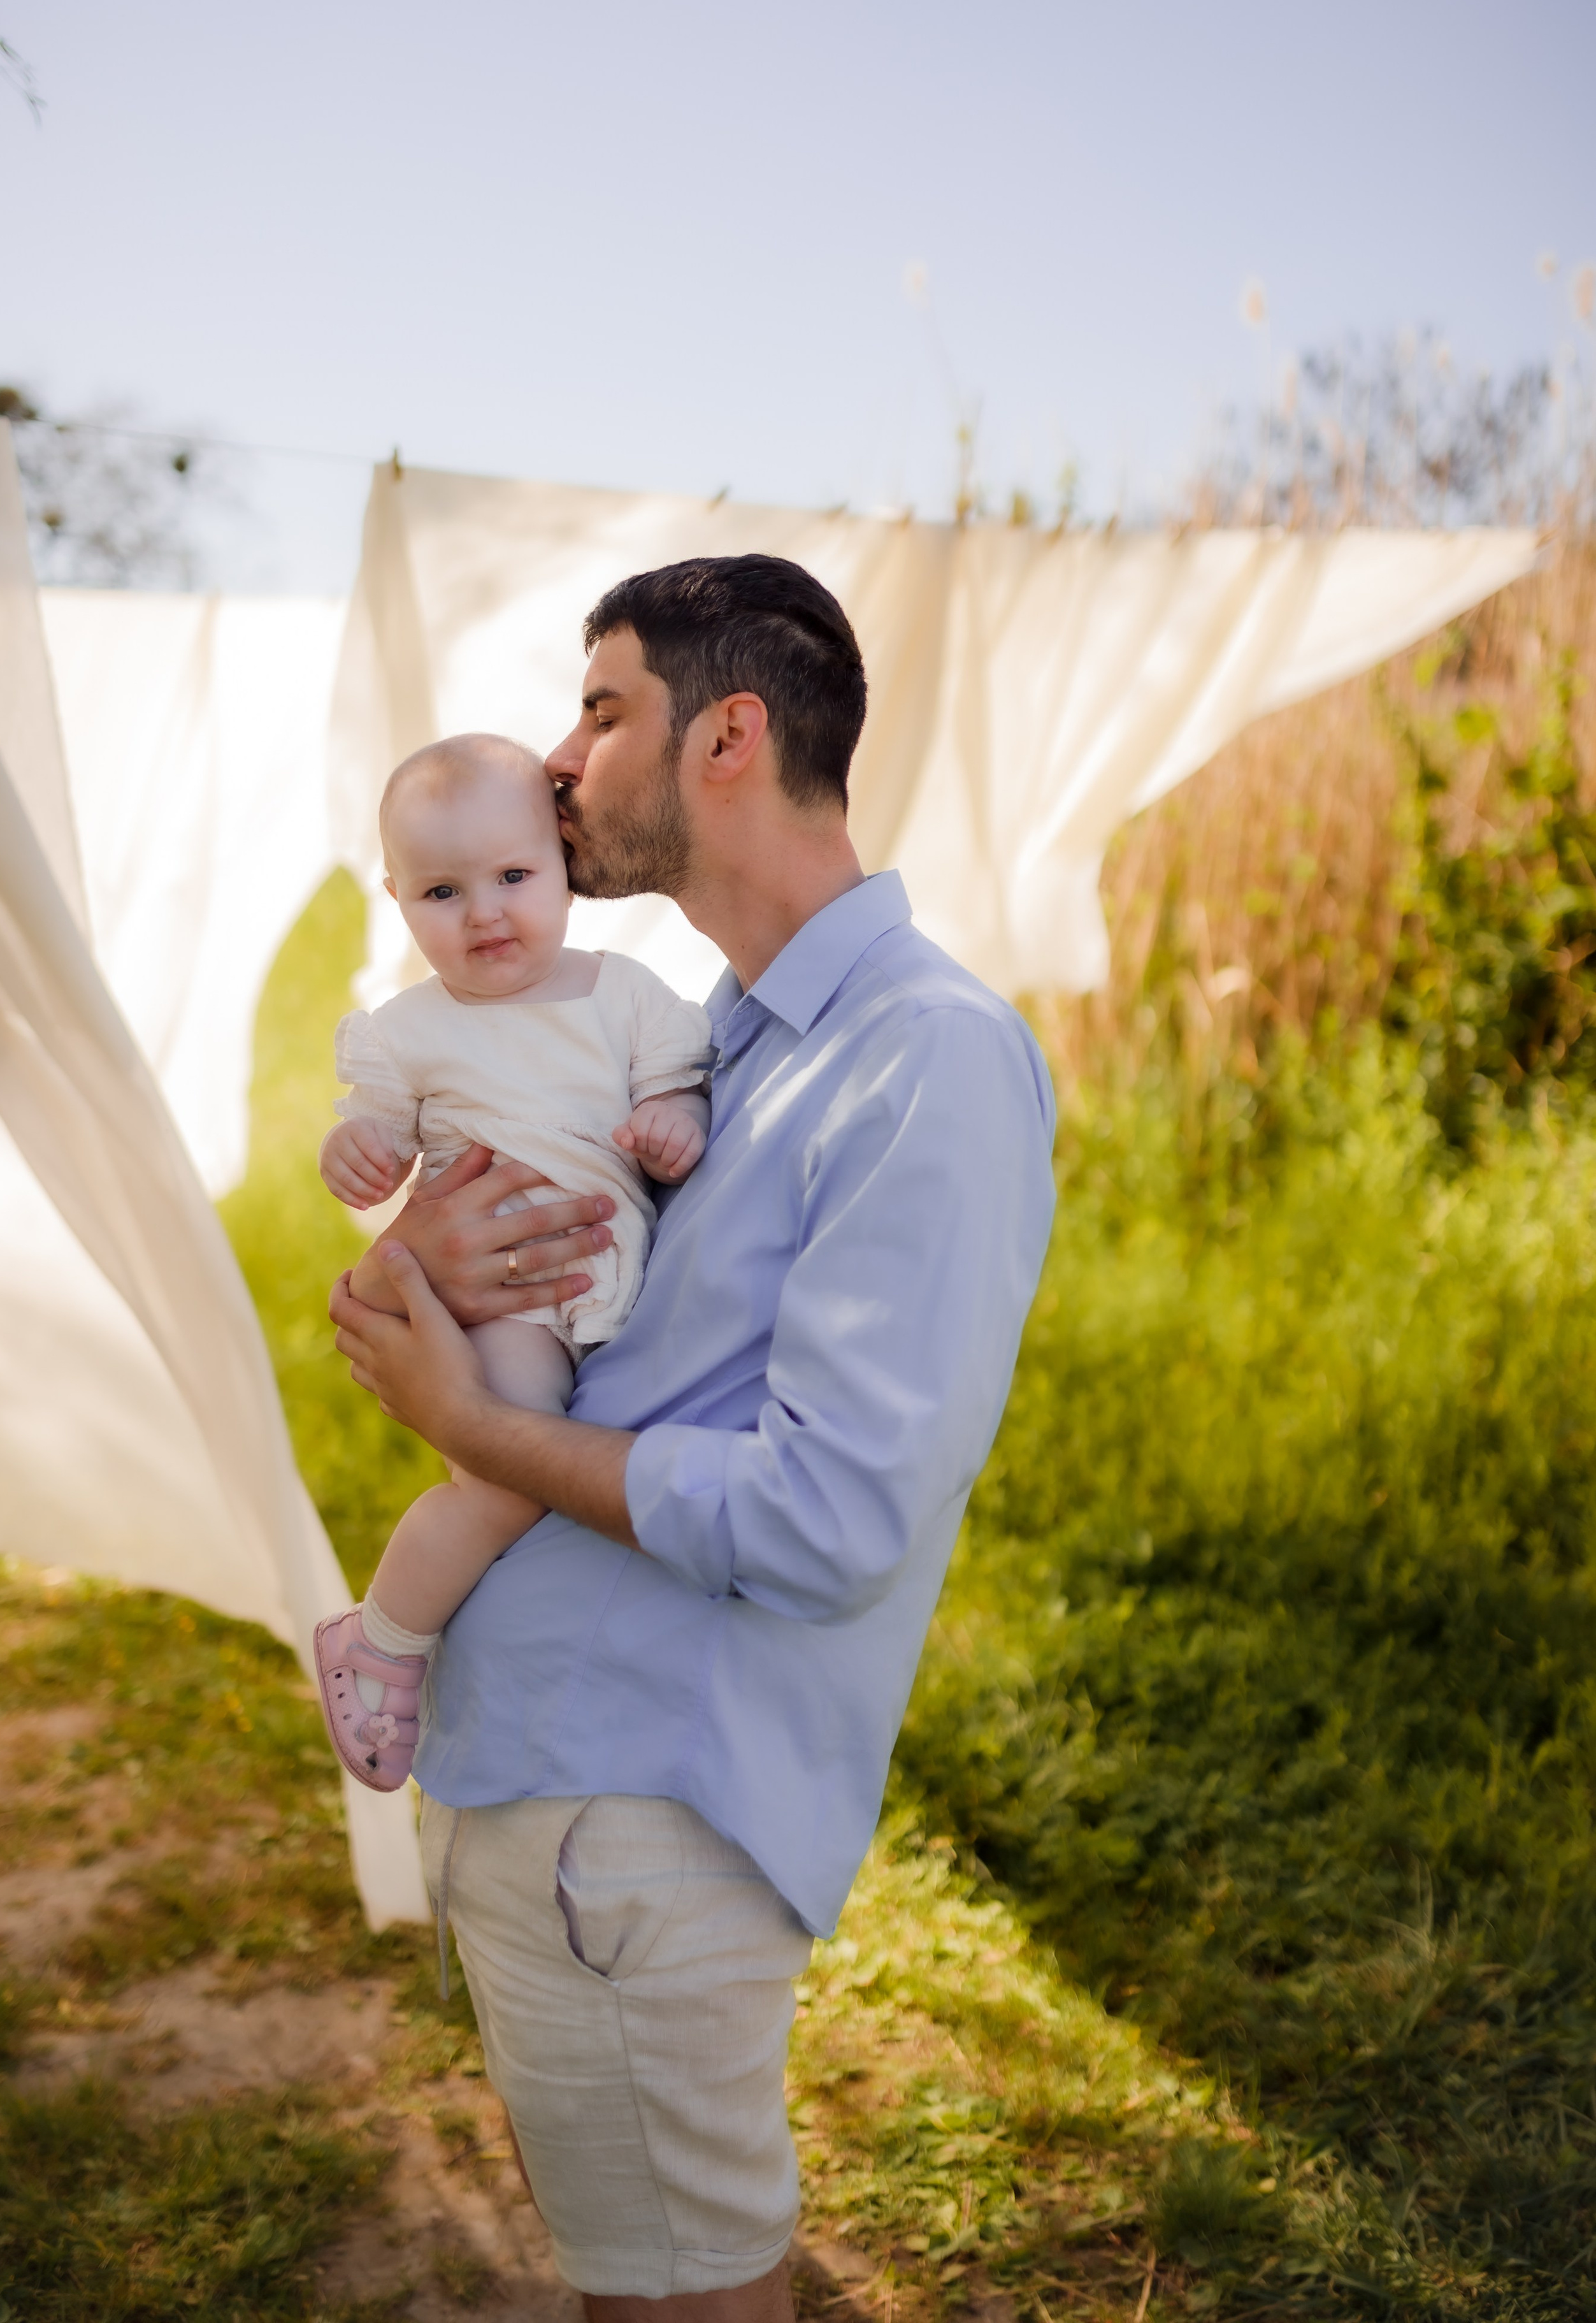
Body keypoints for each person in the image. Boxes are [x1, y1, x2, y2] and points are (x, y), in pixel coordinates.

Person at [329, 553, 1056, 2323]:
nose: (559, 763)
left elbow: (827, 1514)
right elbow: (605, 1332)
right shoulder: (710, 1045)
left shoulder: (924, 1058)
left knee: (672, 2302)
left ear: (727, 736)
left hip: (630, 1814)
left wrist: (467, 1428)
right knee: (668, 2272)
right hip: (565, 1785)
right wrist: (422, 1263)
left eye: (601, 710)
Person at [313, 732, 712, 1790]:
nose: (485, 912)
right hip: (507, 1307)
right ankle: (384, 1640)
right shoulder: (410, 1033)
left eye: (514, 877)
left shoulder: (623, 997)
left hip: (616, 1288)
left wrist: (673, 1116)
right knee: (512, 1479)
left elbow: (676, 1081)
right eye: (444, 891)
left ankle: (527, 1661)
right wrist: (354, 1152)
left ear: (565, 871)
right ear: (398, 900)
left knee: (590, 1480)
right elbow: (376, 1135)